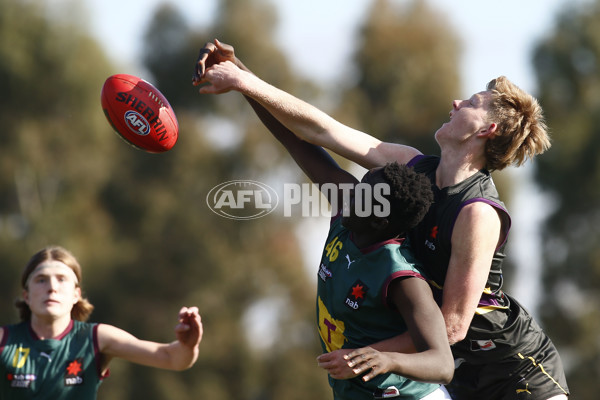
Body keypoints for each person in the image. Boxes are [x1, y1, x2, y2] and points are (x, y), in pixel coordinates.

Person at [192, 40, 569, 399]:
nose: (456, 101)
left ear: (488, 130)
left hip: (513, 369)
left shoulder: (477, 213)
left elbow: (452, 326)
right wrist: (243, 77)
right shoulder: (410, 167)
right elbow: (318, 131)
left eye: (472, 103)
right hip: (447, 367)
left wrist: (363, 355)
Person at [196, 46, 454, 399]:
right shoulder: (353, 211)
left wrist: (385, 359)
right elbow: (295, 139)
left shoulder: (401, 277)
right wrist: (241, 77)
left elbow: (442, 364)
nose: (353, 193)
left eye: (367, 195)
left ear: (381, 222)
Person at [0, 246, 203, 400]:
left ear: (75, 295)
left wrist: (188, 345)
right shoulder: (4, 341)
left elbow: (172, 358)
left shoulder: (97, 338)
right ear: (26, 296)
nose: (52, 287)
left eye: (62, 279)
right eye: (41, 280)